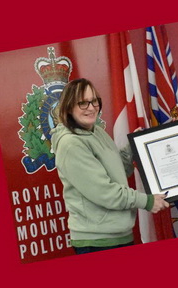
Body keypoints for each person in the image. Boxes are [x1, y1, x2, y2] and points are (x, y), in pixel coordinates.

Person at [51, 78, 169, 254]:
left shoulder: (95, 130)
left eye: (94, 101)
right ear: (68, 107)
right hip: (96, 241)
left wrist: (134, 147)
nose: (91, 108)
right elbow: (104, 192)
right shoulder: (71, 144)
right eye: (82, 103)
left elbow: (116, 171)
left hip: (119, 232)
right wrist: (147, 201)